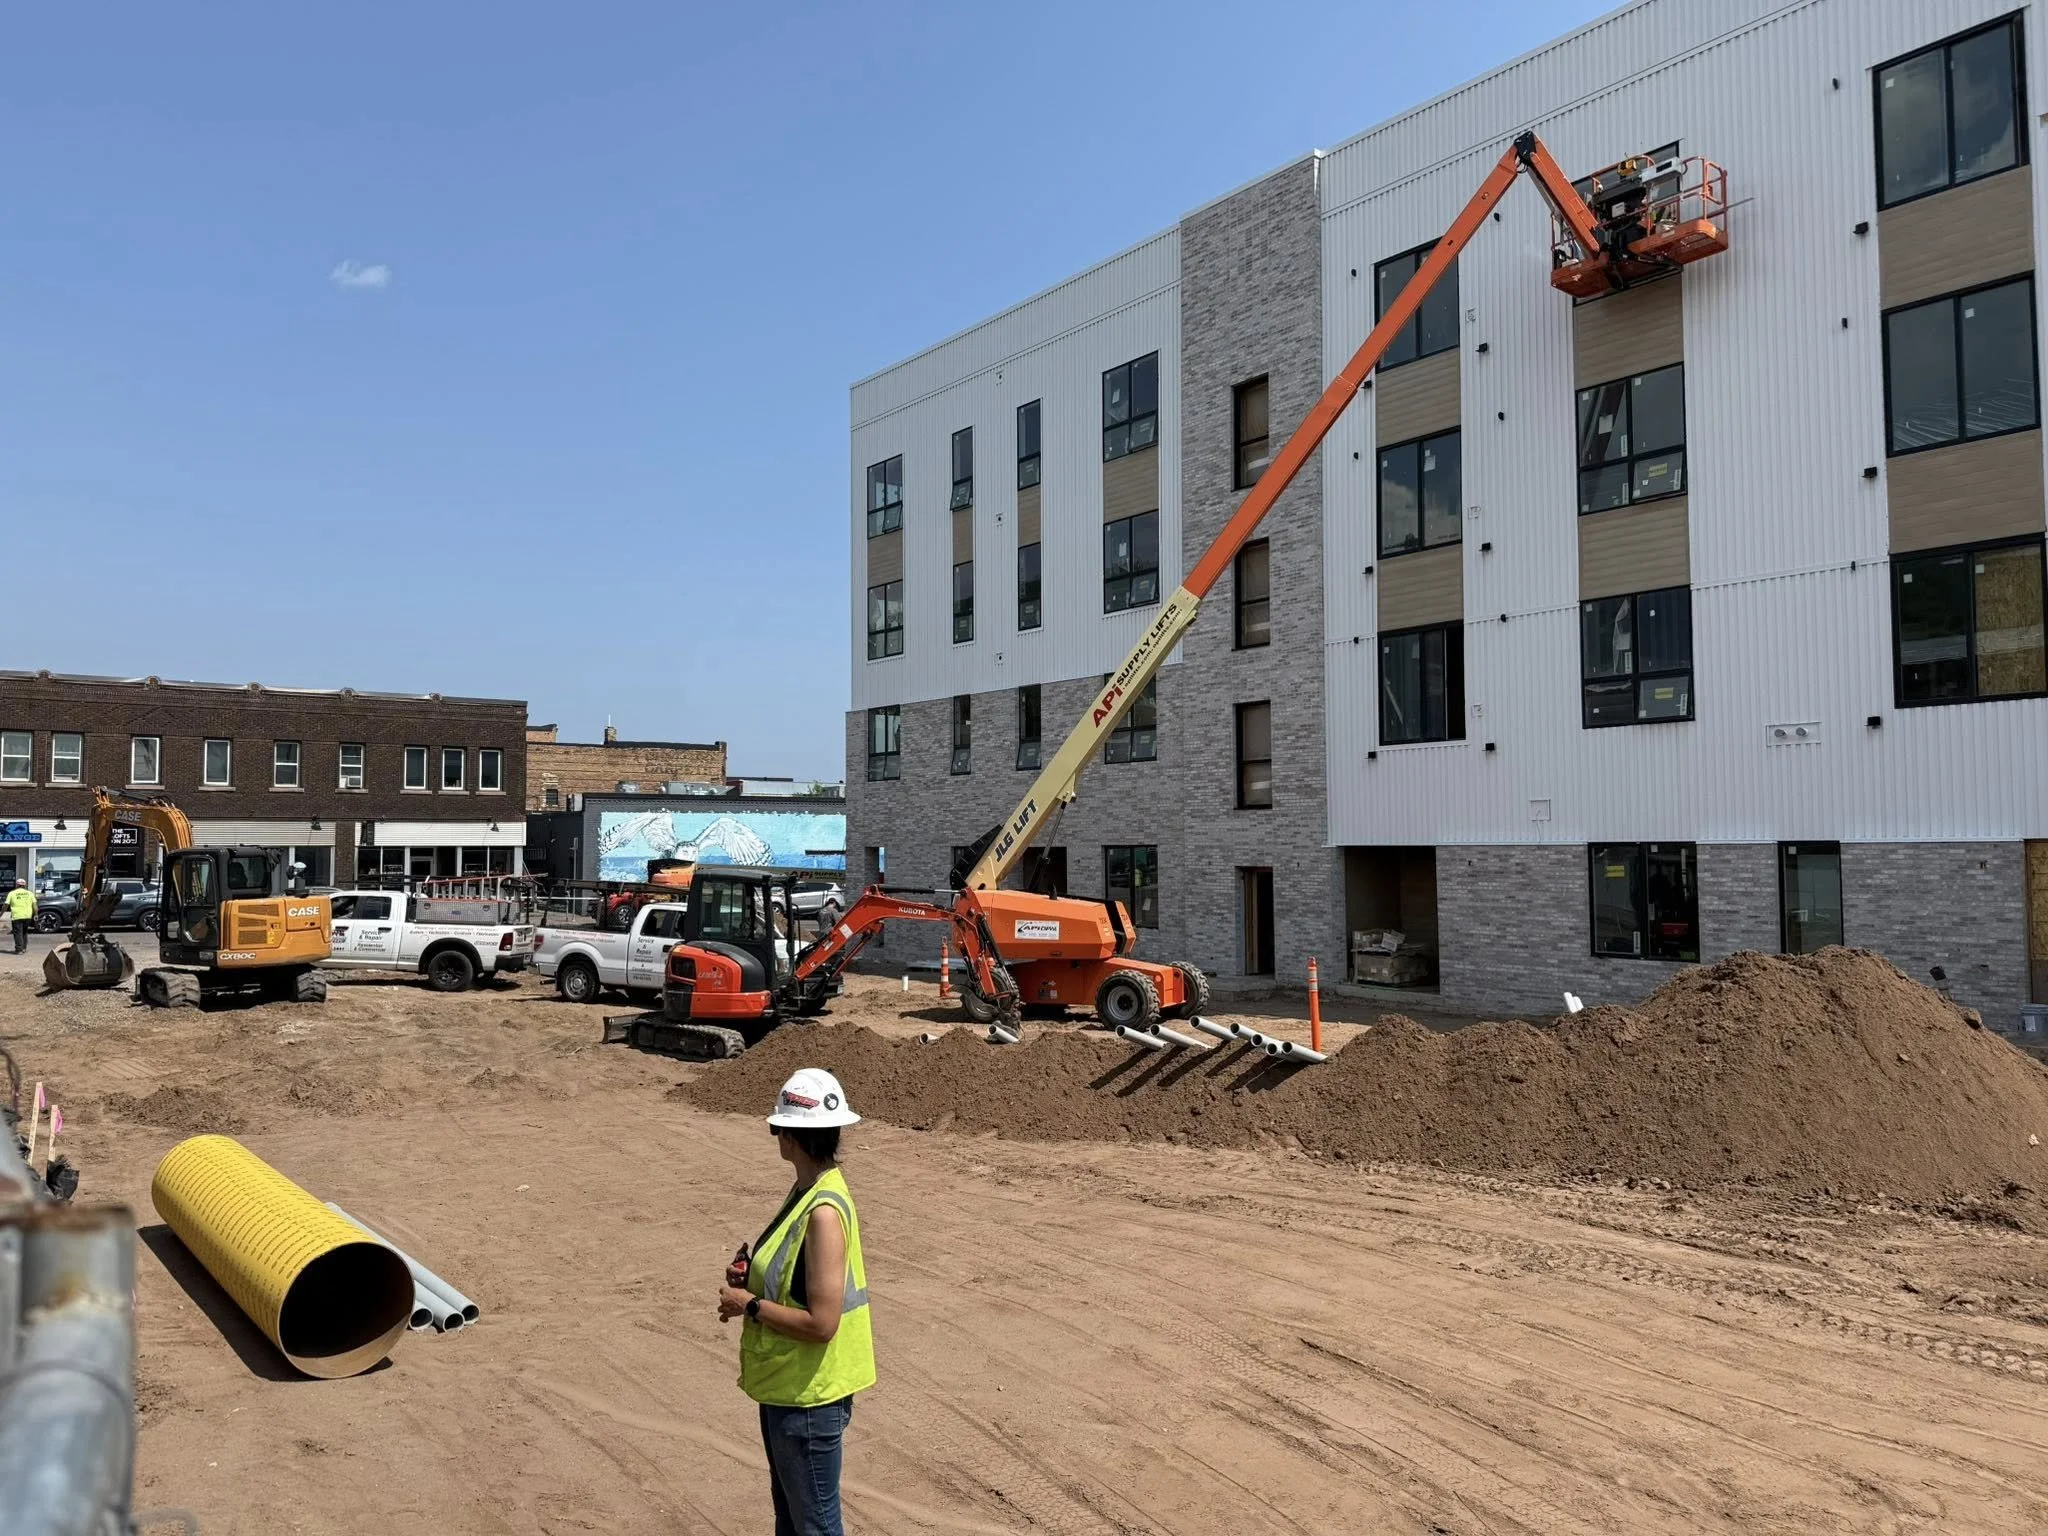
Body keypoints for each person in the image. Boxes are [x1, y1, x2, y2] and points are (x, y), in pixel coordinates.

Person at [718, 1068, 874, 1536]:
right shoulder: (808, 1191)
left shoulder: (823, 1211)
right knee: (793, 1521)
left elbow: (822, 1322)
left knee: (816, 1527)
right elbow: (797, 1276)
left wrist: (748, 1304)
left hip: (809, 1397)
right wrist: (756, 1279)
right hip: (789, 1388)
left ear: (787, 1136)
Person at [7, 880, 35, 954]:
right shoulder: (30, 893)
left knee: (18, 933)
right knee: (24, 932)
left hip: (17, 916)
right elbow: (35, 906)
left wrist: (1, 913)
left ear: (16, 885)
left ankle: (19, 949)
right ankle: (24, 948)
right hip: (28, 916)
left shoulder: (12, 893)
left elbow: (6, 904)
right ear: (24, 885)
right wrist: (36, 914)